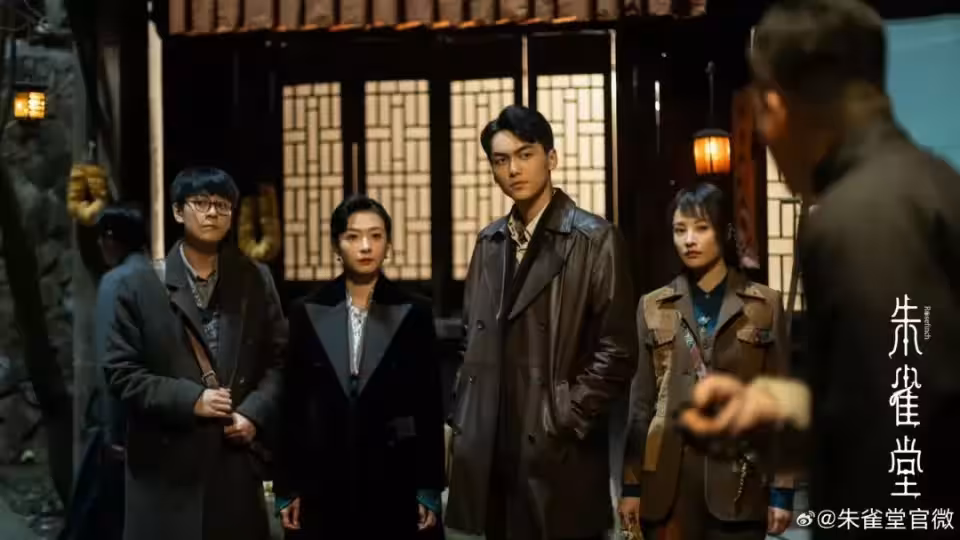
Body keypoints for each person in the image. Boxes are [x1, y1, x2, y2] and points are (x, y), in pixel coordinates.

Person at [677, 1, 960, 537]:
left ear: (775, 107)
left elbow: (898, 439)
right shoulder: (931, 180)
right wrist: (776, 407)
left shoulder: (861, 215)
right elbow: (897, 389)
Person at [444, 105, 638, 540]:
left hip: (558, 445)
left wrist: (565, 415)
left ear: (551, 158)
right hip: (495, 442)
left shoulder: (594, 239)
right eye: (500, 160)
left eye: (525, 154)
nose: (513, 169)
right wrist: (465, 414)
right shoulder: (490, 242)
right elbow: (470, 339)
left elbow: (618, 350)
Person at [103, 167, 287, 540]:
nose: (212, 213)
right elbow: (121, 372)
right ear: (177, 211)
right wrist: (192, 400)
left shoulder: (254, 277)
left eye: (222, 205)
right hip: (164, 470)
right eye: (200, 203)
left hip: (233, 466)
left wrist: (254, 413)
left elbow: (280, 360)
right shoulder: (138, 284)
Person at [617, 183, 794, 540]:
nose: (689, 240)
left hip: (740, 482)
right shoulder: (652, 306)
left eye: (701, 228)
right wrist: (631, 486)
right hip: (667, 485)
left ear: (725, 232)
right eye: (679, 230)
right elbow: (640, 406)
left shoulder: (764, 305)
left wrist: (782, 491)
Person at [276, 195, 445, 539]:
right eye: (353, 236)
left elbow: (429, 404)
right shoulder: (306, 310)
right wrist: (288, 486)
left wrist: (428, 485)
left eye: (376, 236)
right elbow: (292, 403)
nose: (366, 246)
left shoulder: (415, 311)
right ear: (336, 245)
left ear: (388, 244)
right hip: (324, 473)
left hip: (395, 471)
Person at [60, 204, 149, 540]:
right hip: (153, 416)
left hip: (120, 418)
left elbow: (112, 362)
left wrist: (112, 433)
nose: (100, 244)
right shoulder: (156, 278)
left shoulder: (116, 282)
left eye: (104, 237)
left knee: (98, 519)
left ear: (115, 239)